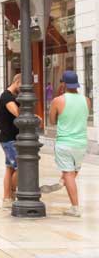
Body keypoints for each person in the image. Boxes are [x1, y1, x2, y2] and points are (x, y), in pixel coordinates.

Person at [43, 71, 91, 217]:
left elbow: (52, 121)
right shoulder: (86, 100)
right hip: (81, 142)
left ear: (63, 83)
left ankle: (75, 207)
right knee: (73, 170)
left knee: (68, 174)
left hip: (65, 142)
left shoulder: (58, 101)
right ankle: (63, 181)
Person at [0, 74, 20, 210]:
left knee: (10, 169)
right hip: (9, 139)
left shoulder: (12, 96)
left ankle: (7, 197)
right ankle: (12, 192)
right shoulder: (7, 97)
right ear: (17, 82)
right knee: (20, 167)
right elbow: (17, 113)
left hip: (9, 138)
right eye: (22, 85)